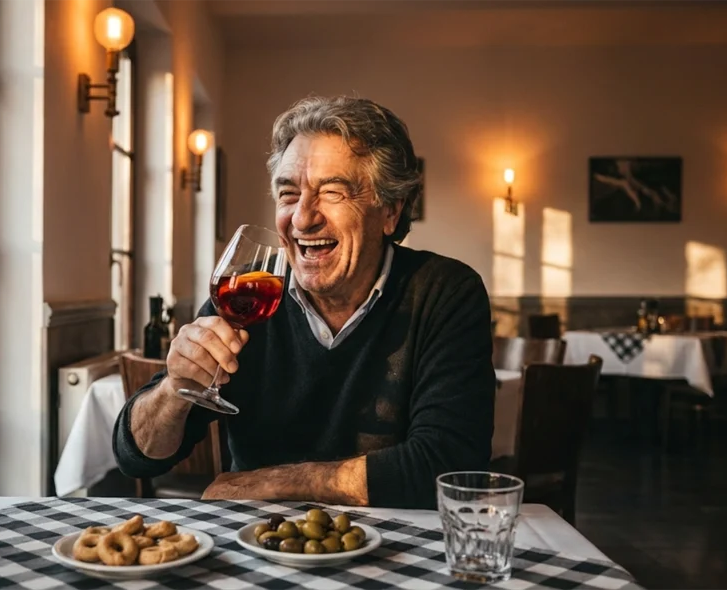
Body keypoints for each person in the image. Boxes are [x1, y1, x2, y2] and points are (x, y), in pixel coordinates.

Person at [112, 95, 495, 509]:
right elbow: (138, 458)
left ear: (389, 210)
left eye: (333, 192)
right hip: (257, 538)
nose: (302, 218)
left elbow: (450, 464)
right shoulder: (251, 294)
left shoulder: (444, 291)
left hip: (397, 539)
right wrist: (175, 389)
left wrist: (273, 483)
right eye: (289, 193)